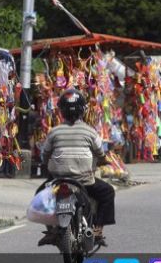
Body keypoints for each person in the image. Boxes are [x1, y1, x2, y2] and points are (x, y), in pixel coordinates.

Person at [39, 88, 115, 246]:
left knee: (39, 193)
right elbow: (100, 153)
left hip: (58, 180)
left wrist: (49, 164)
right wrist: (103, 161)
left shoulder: (54, 132)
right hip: (85, 181)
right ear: (82, 110)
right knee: (108, 192)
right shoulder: (90, 132)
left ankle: (52, 230)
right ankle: (98, 230)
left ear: (62, 111)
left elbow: (44, 155)